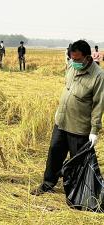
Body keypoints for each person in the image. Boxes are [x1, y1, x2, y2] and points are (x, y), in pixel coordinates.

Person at [31, 40, 104, 196]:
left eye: (77, 59)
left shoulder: (98, 76)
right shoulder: (71, 66)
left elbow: (99, 105)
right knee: (54, 152)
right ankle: (48, 183)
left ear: (87, 57)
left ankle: (76, 191)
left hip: (79, 127)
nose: (74, 62)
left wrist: (94, 130)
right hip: (61, 121)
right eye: (72, 58)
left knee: (77, 161)